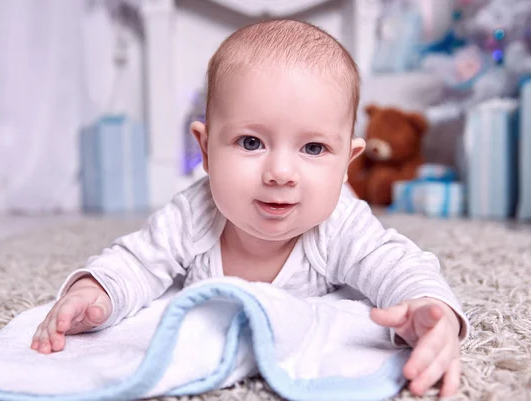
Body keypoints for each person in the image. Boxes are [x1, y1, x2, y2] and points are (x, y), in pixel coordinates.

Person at [31, 19, 469, 398]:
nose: (280, 172)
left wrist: (432, 312)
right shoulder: (193, 214)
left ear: (346, 165)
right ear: (205, 150)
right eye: (251, 142)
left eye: (313, 147)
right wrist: (97, 292)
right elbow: (138, 260)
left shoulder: (340, 225)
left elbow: (401, 265)